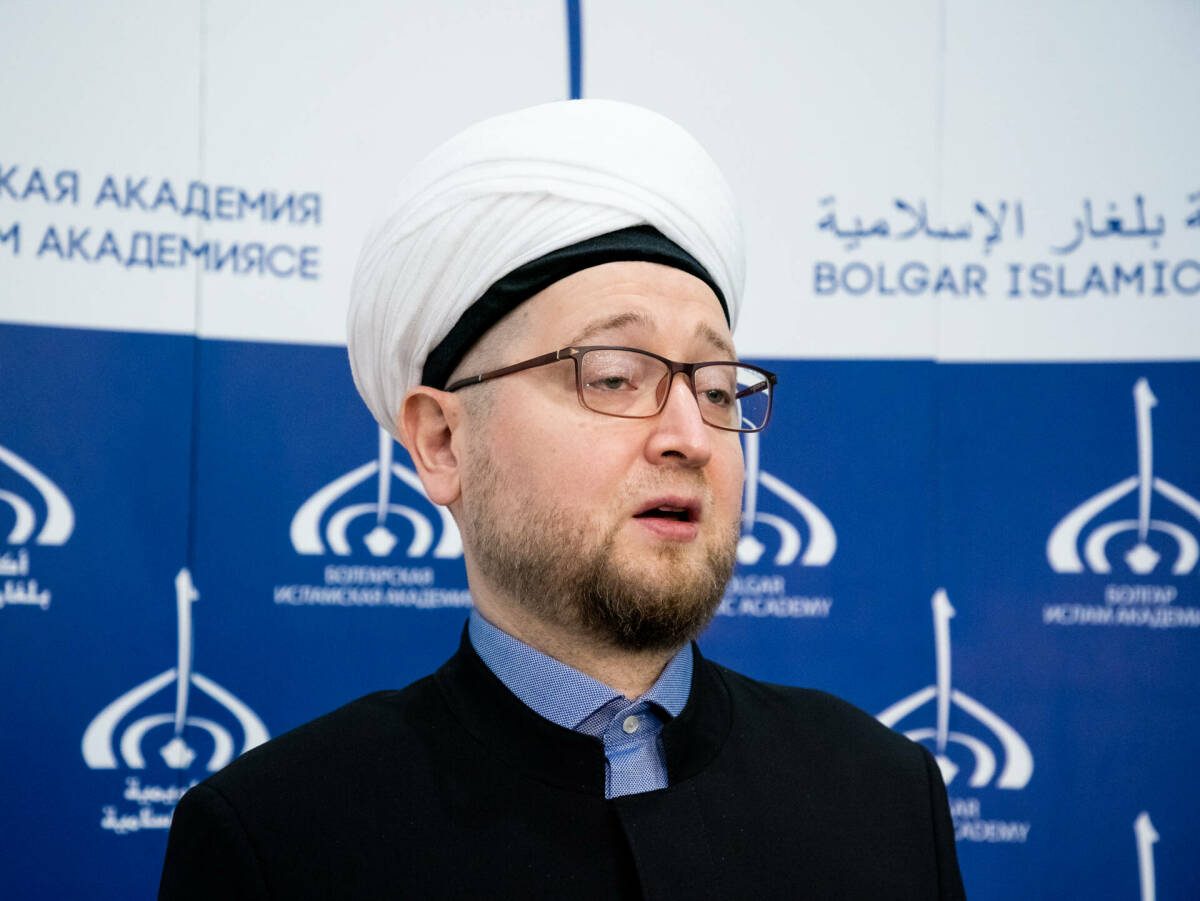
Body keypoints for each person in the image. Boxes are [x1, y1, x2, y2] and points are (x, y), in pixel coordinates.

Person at [159, 100, 965, 900]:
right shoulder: (278, 842)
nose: (689, 435)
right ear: (442, 442)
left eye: (717, 389)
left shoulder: (884, 795)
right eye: (613, 376)